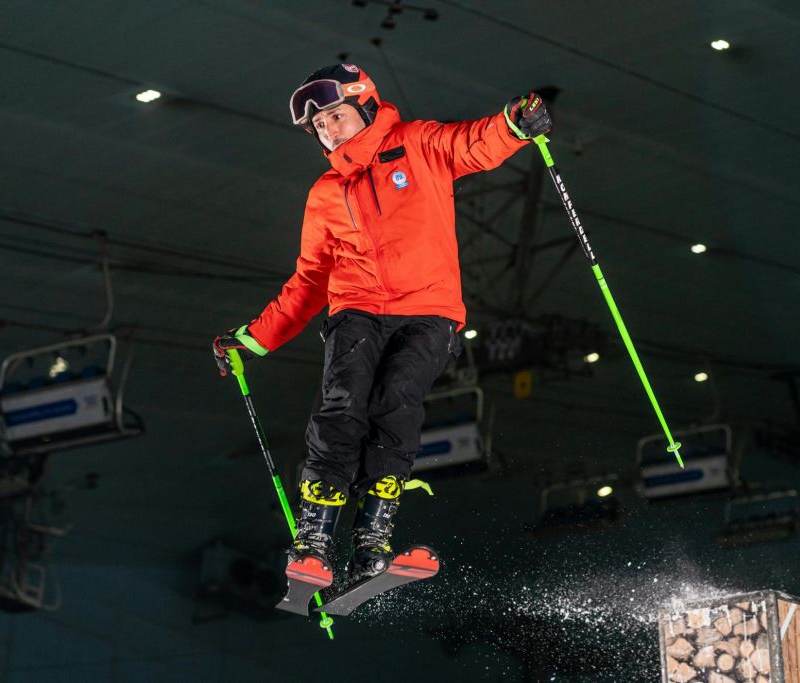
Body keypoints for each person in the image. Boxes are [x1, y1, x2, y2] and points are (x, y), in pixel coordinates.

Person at [212, 64, 551, 588]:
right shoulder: (325, 193)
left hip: (429, 312)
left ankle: (373, 541)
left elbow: (473, 144)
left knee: (397, 406)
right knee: (343, 406)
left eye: (336, 118)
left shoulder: (417, 145)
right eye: (319, 127)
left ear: (365, 106)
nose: (327, 131)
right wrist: (253, 340)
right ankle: (316, 539)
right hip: (357, 309)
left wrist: (513, 124)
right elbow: (308, 281)